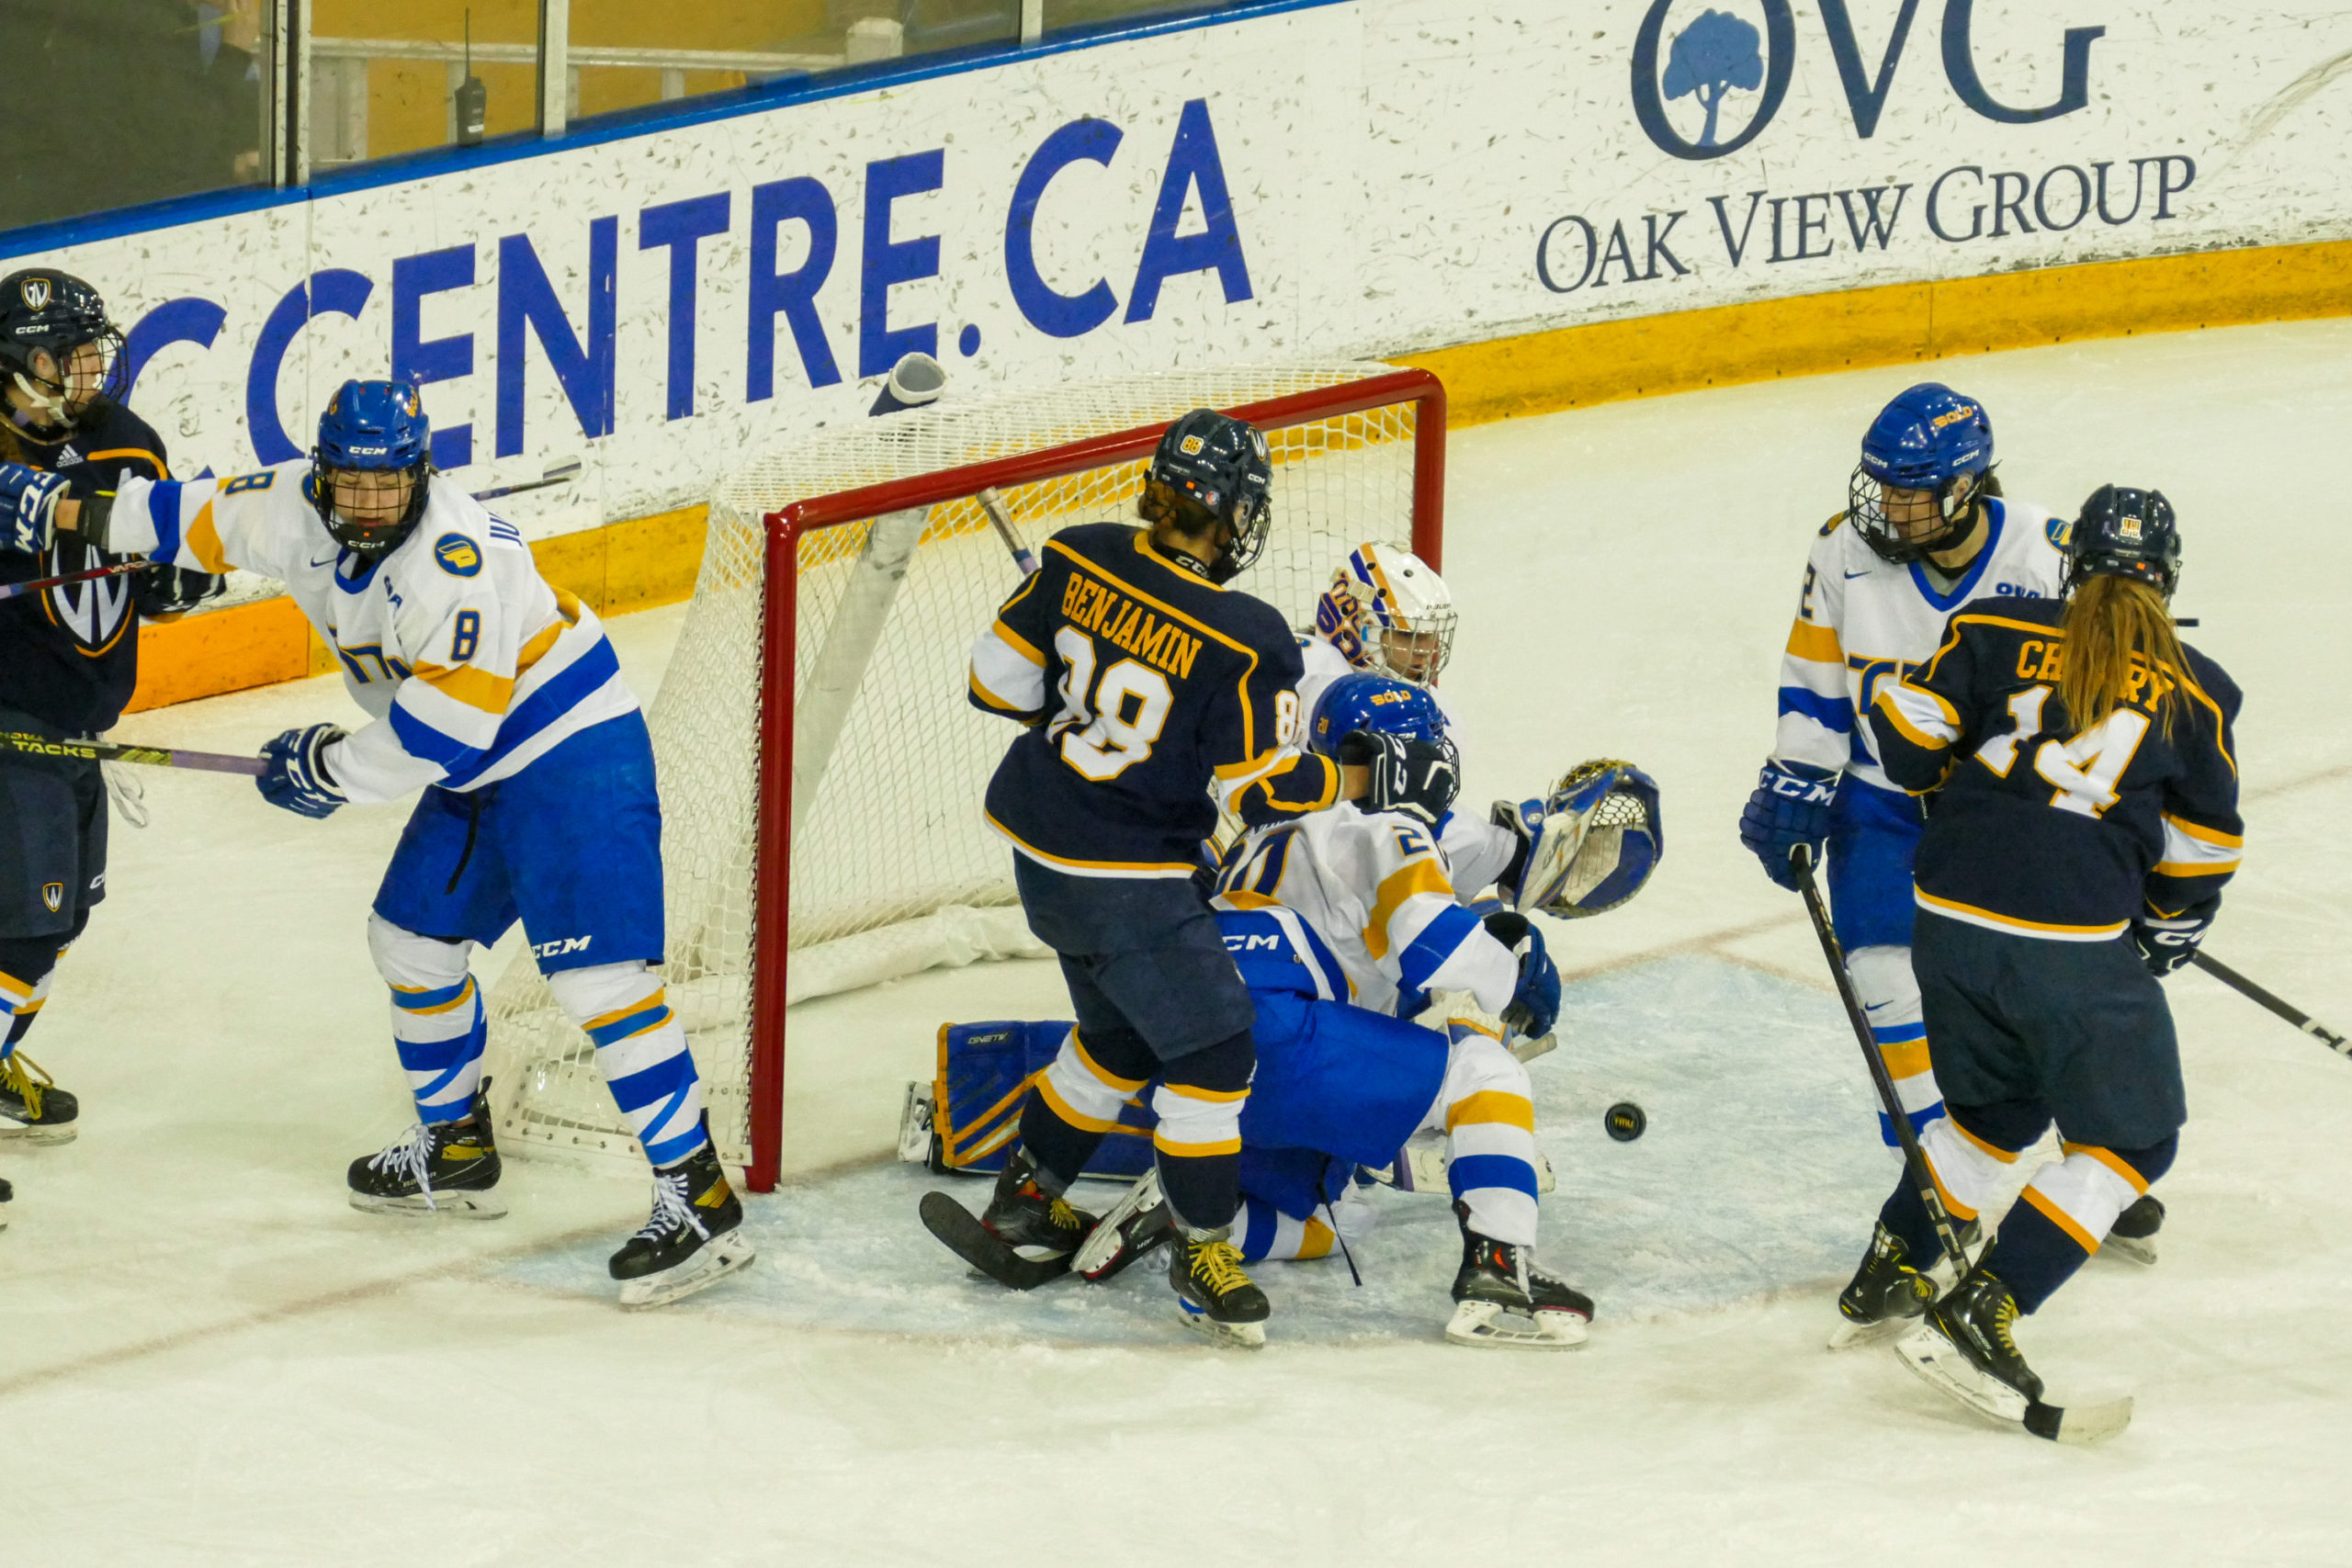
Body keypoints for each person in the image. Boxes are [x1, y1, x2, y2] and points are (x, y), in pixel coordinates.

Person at [5, 378, 750, 1308]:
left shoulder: (454, 562)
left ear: (419, 473)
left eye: (387, 484)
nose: (367, 503)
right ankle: (457, 1148)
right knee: (409, 944)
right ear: (322, 475)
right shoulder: (286, 506)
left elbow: (442, 737)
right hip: (478, 772)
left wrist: (327, 768)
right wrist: (56, 504)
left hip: (568, 752)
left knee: (601, 982)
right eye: (350, 483)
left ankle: (698, 1197)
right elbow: (173, 516)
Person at [953, 408, 1446, 1346]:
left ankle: (1027, 1202)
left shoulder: (1075, 555)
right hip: (1129, 880)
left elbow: (996, 686)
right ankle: (1205, 1252)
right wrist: (1354, 773)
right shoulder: (1245, 632)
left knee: (1118, 1040)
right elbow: (1263, 794)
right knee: (1216, 1053)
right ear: (1231, 514)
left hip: (1038, 853)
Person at [1082, 677, 1659, 1348]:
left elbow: (1356, 945)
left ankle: (1197, 1220)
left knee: (1335, 1224)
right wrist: (1519, 968)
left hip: (1197, 1060)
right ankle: (1501, 1270)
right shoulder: (1389, 821)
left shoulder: (1262, 830)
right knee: (1486, 1071)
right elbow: (1436, 950)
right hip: (1280, 1041)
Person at [1841, 485, 2239, 1430]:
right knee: (2134, 1138)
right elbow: (2200, 853)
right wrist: (2166, 918)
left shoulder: (1986, 624)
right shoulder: (2196, 687)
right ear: (2167, 575)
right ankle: (1986, 1307)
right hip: (2062, 940)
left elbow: (1906, 743)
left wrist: (1952, 770)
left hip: (1942, 913)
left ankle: (1892, 1261)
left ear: (2072, 563)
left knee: (1994, 1110)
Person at [1739, 383, 2075, 1151]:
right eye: (1881, 484)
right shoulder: (1841, 551)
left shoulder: (2049, 557)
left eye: (1908, 491)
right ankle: (1933, 1169)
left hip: (2004, 815)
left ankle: (2092, 1139)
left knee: (2035, 984)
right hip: (1880, 803)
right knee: (1886, 977)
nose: (1885, 505)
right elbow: (1815, 679)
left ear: (1963, 487)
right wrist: (1796, 784)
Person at [0, 268, 220, 1158]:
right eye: (73, 359)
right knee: (31, 925)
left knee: (55, 926)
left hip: (76, 729)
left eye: (96, 356)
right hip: (10, 727)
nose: (92, 374)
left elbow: (151, 576)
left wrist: (179, 579)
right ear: (23, 364)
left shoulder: (128, 443)